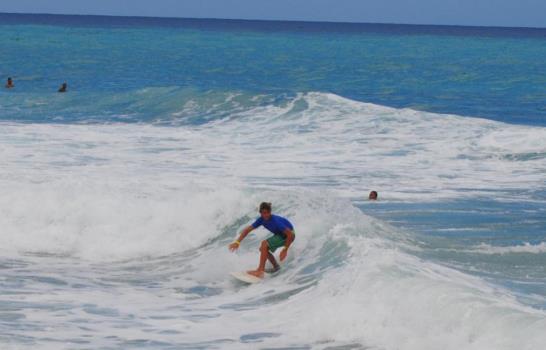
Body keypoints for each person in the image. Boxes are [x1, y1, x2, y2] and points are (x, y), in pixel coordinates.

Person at [229, 202, 295, 279]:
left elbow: (290, 234)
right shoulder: (261, 220)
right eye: (263, 213)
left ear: (270, 212)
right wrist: (237, 242)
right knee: (263, 249)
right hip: (281, 234)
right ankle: (276, 267)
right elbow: (248, 230)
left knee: (264, 244)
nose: (266, 215)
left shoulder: (275, 221)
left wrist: (285, 250)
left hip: (289, 235)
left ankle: (260, 271)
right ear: (260, 213)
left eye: (267, 213)